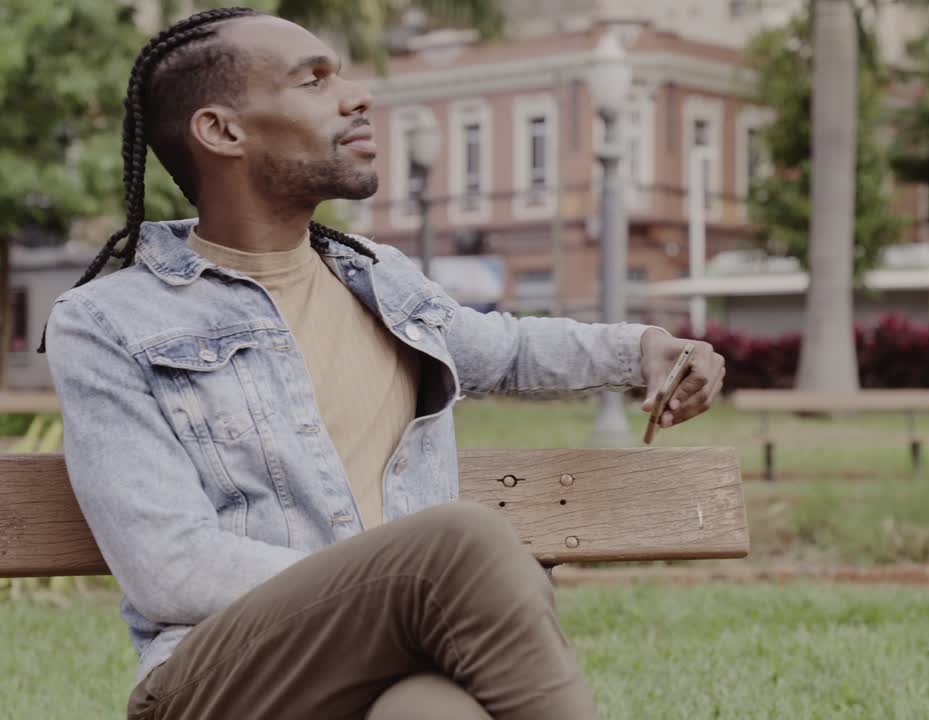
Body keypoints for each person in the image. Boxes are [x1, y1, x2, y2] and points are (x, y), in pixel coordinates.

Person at [39, 7, 725, 720]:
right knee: (461, 543)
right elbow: (171, 568)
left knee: (434, 712)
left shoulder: (378, 280)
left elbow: (509, 350)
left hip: (392, 656)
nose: (358, 95)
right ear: (222, 131)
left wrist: (642, 349)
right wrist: (400, 587)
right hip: (217, 680)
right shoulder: (107, 322)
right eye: (314, 81)